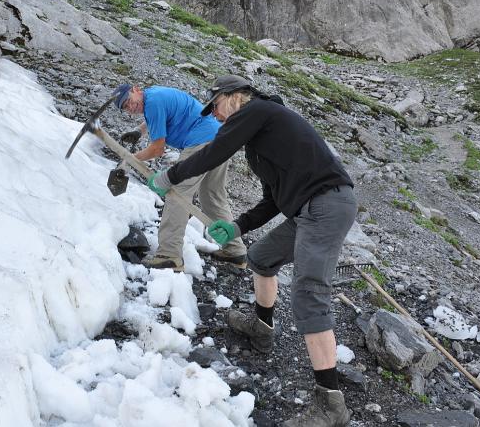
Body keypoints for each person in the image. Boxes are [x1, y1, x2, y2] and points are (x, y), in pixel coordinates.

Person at [149, 75, 357, 427]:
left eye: (215, 106)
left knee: (309, 293)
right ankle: (262, 326)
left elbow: (214, 152)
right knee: (261, 257)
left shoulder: (258, 110)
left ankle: (331, 404)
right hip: (308, 210)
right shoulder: (260, 144)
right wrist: (237, 227)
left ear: (234, 96)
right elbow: (272, 201)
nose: (215, 115)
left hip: (326, 205)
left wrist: (170, 176)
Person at [113, 83, 247, 271]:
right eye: (125, 108)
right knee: (212, 196)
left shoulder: (152, 103)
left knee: (177, 193)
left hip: (200, 143)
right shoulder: (154, 95)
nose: (130, 107)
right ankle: (235, 250)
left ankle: (169, 255)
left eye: (128, 101)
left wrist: (128, 160)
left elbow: (157, 149)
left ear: (135, 89)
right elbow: (160, 116)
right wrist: (139, 131)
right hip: (219, 138)